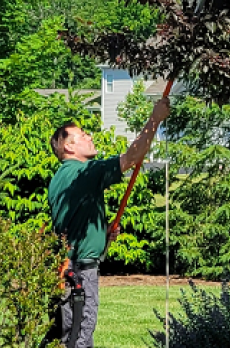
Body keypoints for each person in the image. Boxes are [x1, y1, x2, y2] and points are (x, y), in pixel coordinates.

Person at [46, 97, 170, 348]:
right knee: (80, 337)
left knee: (66, 335)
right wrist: (155, 119)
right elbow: (133, 156)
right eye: (83, 135)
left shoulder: (62, 177)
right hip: (80, 272)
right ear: (69, 147)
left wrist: (102, 234)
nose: (89, 137)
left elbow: (72, 224)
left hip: (66, 268)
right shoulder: (85, 171)